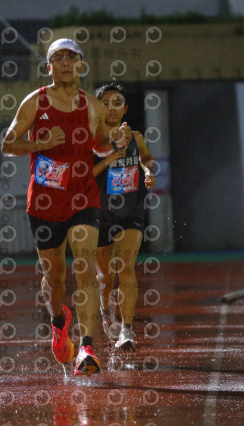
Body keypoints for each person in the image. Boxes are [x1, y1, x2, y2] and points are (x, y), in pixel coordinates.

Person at [1, 38, 131, 376]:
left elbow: (100, 145)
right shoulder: (35, 102)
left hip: (83, 197)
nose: (65, 63)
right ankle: (59, 323)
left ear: (80, 64)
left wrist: (115, 142)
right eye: (58, 58)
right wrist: (41, 142)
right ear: (49, 67)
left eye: (71, 57)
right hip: (44, 203)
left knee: (84, 267)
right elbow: (8, 144)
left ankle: (87, 347)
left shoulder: (92, 105)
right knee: (54, 279)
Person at [92, 82, 156, 352]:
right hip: (99, 214)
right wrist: (109, 158)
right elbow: (84, 175)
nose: (111, 108)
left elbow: (146, 159)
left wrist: (148, 172)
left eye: (117, 103)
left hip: (131, 211)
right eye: (105, 103)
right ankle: (106, 309)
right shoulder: (92, 142)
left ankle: (127, 329)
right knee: (106, 277)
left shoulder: (136, 137)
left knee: (126, 266)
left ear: (125, 108)